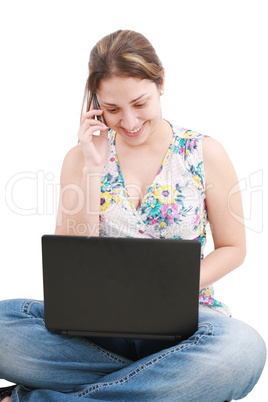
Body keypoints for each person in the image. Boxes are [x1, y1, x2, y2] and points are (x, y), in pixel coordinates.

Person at [0, 29, 266, 402]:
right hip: (98, 326)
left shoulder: (204, 153)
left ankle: (39, 398)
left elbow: (234, 248)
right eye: (112, 110)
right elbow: (72, 255)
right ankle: (171, 384)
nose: (129, 121)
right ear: (96, 105)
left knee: (242, 349)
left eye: (140, 103)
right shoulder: (80, 158)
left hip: (186, 323)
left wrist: (170, 292)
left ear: (160, 84)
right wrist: (93, 169)